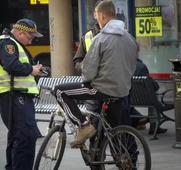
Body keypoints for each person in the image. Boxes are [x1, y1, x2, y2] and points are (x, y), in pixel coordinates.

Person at [54, 0, 138, 147]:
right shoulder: (129, 38)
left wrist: (87, 77)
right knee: (117, 130)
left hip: (101, 90)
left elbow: (88, 72)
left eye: (97, 16)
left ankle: (84, 126)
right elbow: (132, 66)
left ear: (101, 15)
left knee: (60, 91)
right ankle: (125, 160)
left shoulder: (100, 38)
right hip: (121, 91)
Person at [0, 18, 43, 170]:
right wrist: (31, 69)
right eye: (30, 38)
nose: (31, 42)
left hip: (17, 95)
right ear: (21, 33)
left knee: (18, 136)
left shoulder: (14, 43)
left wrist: (34, 68)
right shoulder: (7, 43)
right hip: (13, 94)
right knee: (26, 135)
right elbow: (11, 65)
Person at [130, 45, 168, 134]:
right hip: (146, 100)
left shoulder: (124, 65)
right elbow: (155, 86)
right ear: (137, 53)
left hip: (130, 99)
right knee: (153, 99)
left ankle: (135, 121)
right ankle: (153, 127)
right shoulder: (141, 66)